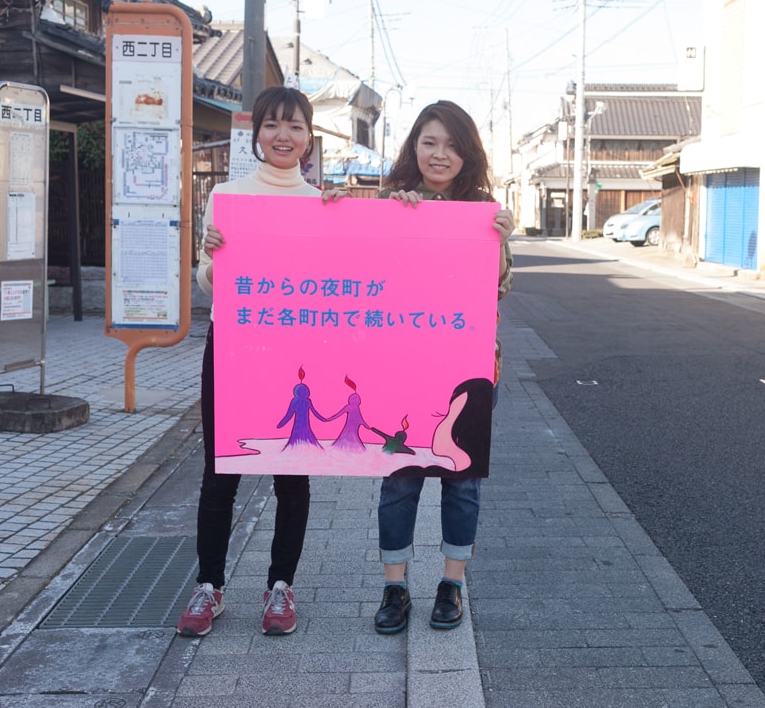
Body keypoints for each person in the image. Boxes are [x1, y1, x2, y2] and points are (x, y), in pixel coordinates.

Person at [360, 100, 514, 633]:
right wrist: (384, 215)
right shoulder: (390, 202)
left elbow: (497, 288)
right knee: (399, 479)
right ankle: (395, 587)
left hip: (470, 369)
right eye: (429, 142)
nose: (440, 154)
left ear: (468, 153)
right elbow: (361, 270)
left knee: (462, 480)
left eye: (452, 145)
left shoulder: (484, 210)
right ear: (414, 148)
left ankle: (452, 584)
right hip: (402, 369)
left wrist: (499, 239)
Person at [176, 85, 323, 638]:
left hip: (298, 353)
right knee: (221, 472)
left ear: (309, 137)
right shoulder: (227, 198)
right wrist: (216, 261)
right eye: (272, 125)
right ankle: (209, 587)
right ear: (256, 134)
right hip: (235, 347)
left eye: (295, 126)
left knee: (292, 474)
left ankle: (281, 587)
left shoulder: (323, 206)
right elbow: (207, 282)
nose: (283, 136)